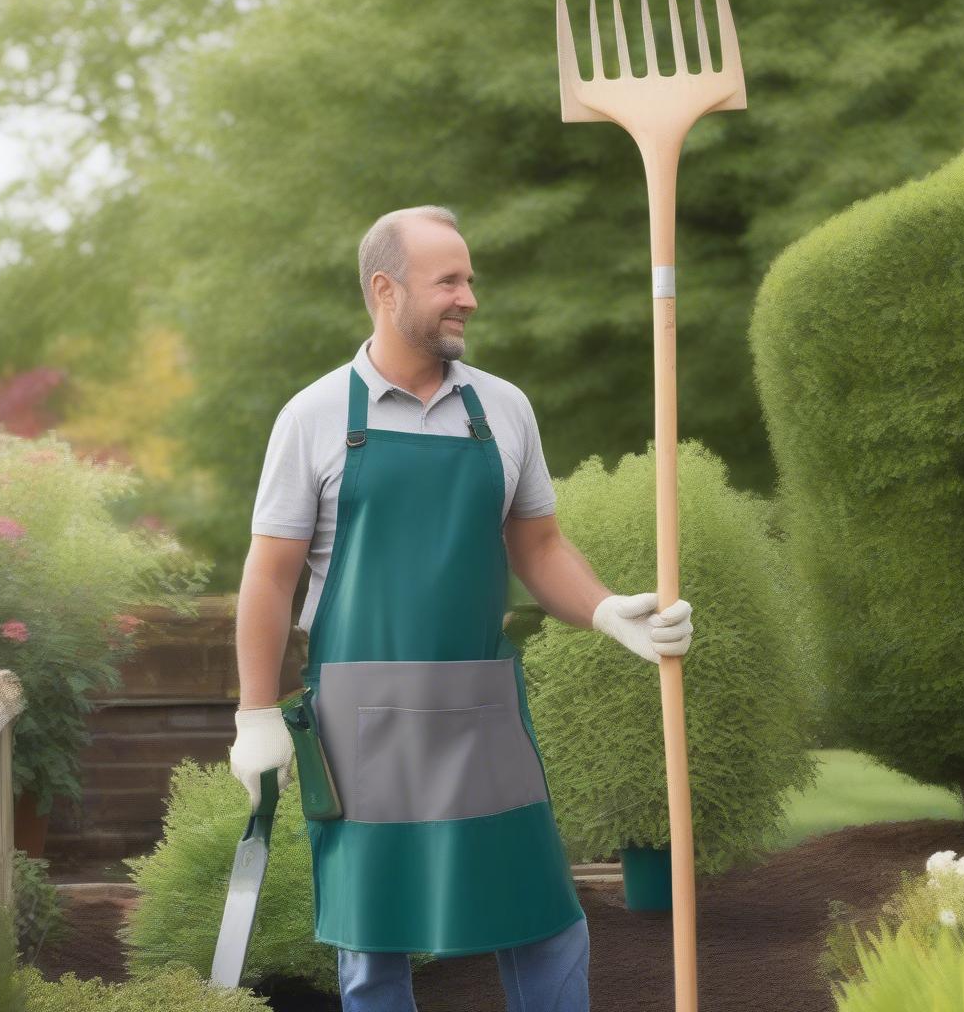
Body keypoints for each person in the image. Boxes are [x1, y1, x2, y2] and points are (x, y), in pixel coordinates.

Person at [230, 205, 693, 1012]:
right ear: (385, 289)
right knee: (375, 946)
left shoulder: (504, 408)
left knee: (545, 919)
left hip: (480, 712)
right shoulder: (312, 418)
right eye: (449, 280)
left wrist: (610, 609)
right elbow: (269, 577)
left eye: (470, 279)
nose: (469, 297)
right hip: (359, 724)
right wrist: (255, 711)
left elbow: (541, 548)